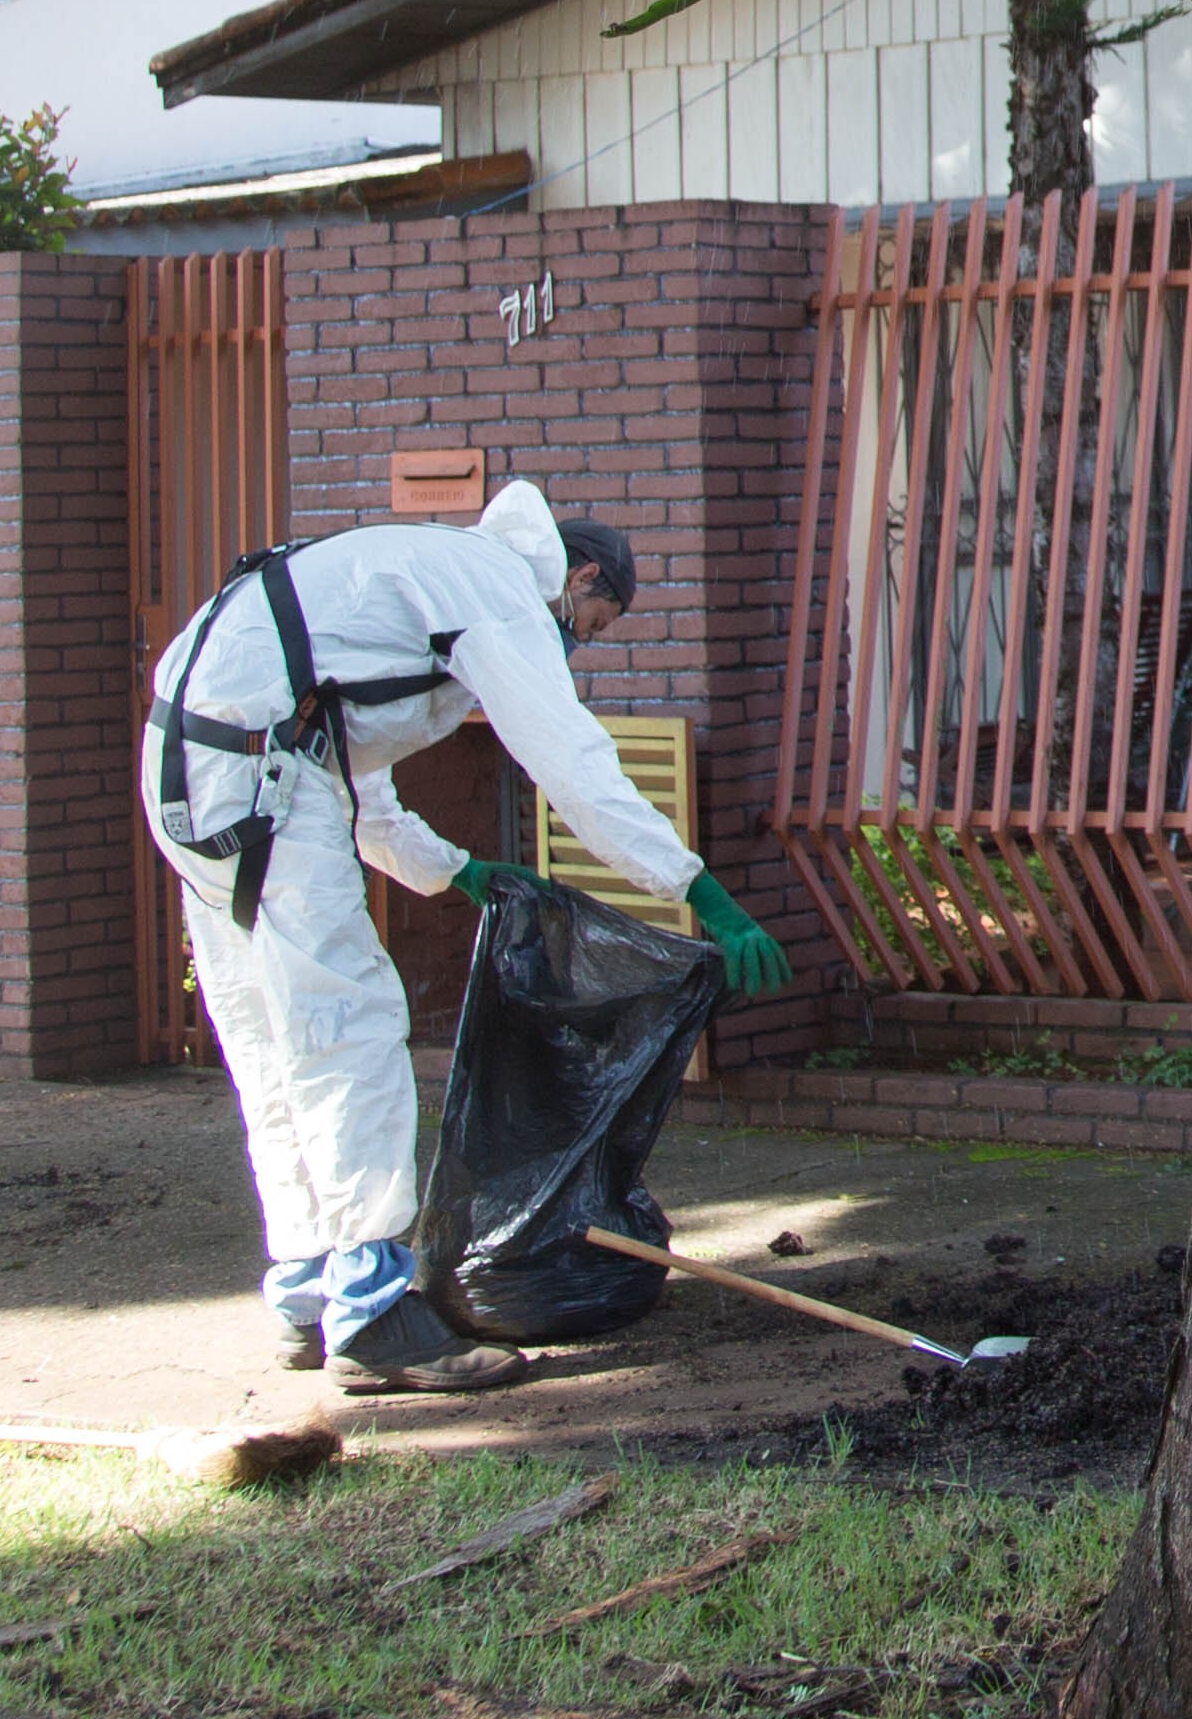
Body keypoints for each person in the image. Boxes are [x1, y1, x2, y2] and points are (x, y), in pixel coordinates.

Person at [141, 481, 795, 1396]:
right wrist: (697, 889)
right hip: (255, 774)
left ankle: (306, 1285)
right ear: (583, 573)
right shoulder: (501, 595)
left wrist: (459, 871)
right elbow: (573, 762)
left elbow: (350, 773)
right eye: (593, 624)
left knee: (277, 1039)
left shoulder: (428, 575)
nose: (579, 643)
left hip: (194, 759)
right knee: (349, 1027)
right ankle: (370, 1312)